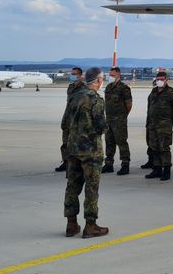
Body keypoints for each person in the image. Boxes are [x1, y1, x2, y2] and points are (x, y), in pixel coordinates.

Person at [64, 67, 109, 238]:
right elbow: (100, 125)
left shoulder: (75, 96)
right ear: (98, 80)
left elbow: (65, 122)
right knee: (91, 187)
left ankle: (71, 223)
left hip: (73, 148)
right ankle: (90, 225)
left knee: (72, 186)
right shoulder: (95, 99)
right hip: (90, 150)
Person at [145, 71, 173, 181]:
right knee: (154, 147)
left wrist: (167, 116)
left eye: (162, 79)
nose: (159, 81)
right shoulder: (154, 91)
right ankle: (156, 169)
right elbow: (149, 107)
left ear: (166, 80)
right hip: (152, 125)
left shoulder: (171, 92)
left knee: (164, 147)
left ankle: (166, 170)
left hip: (164, 125)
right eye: (158, 79)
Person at [102, 66, 132, 175]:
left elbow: (129, 105)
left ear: (118, 75)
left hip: (119, 120)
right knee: (109, 142)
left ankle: (125, 164)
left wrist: (122, 116)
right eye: (110, 75)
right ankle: (109, 164)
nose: (110, 77)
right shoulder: (109, 87)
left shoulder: (124, 88)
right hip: (109, 119)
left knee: (121, 142)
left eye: (113, 75)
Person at [56, 66, 85, 172]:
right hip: (68, 117)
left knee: (77, 142)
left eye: (75, 74)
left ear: (80, 75)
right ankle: (66, 162)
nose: (72, 76)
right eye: (71, 74)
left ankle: (78, 163)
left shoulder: (84, 88)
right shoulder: (70, 87)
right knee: (65, 142)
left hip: (77, 119)